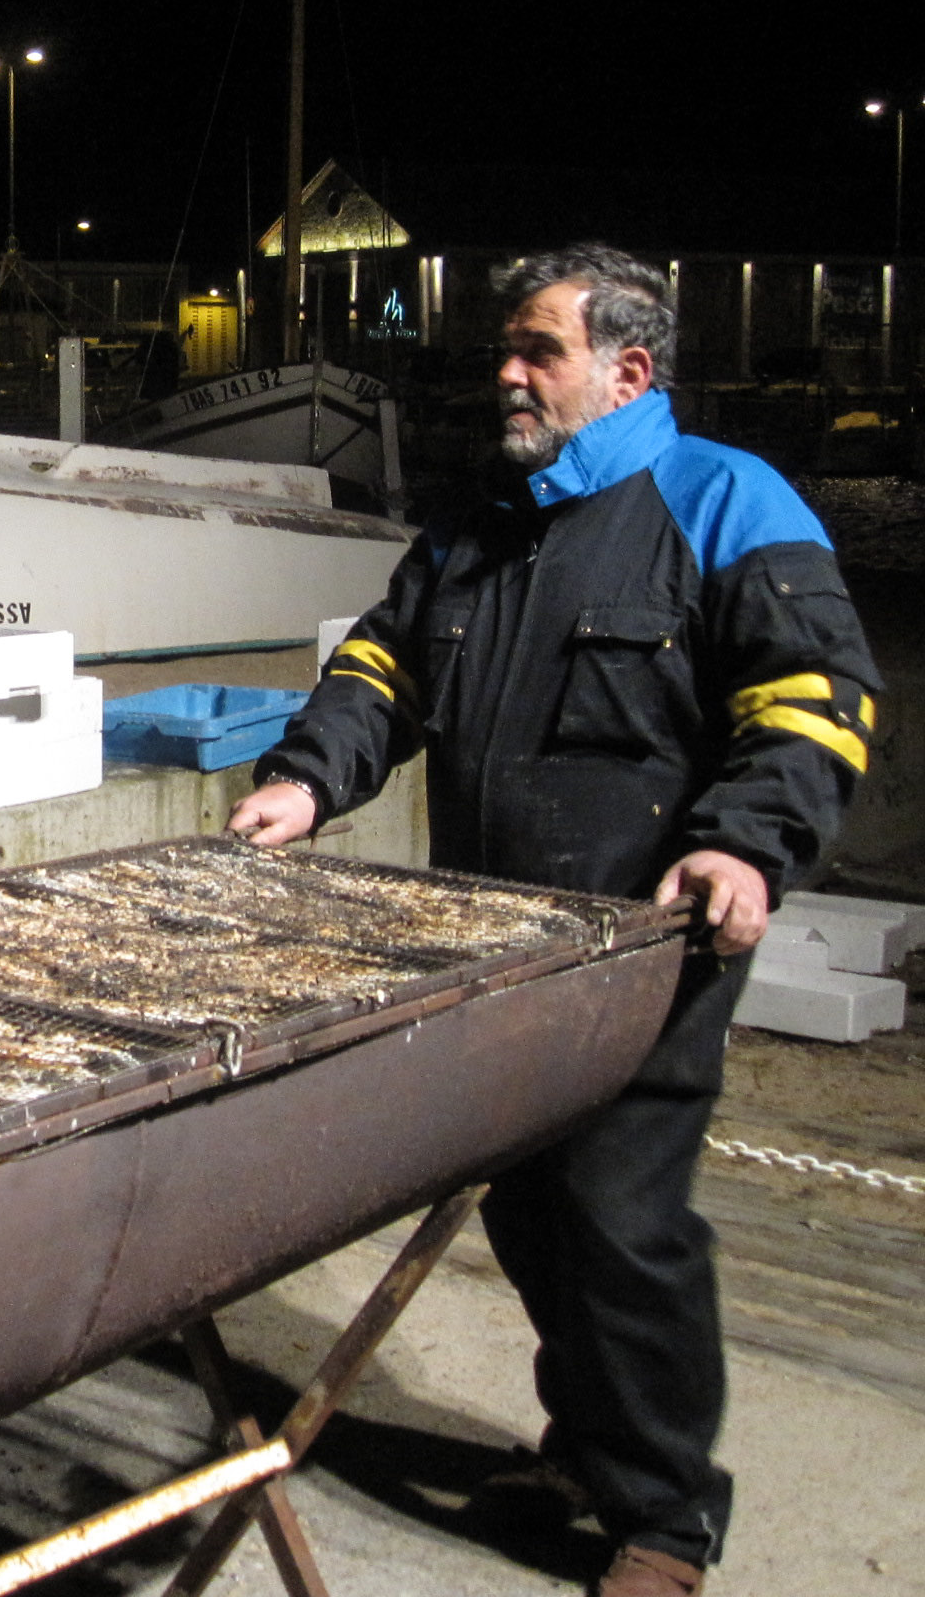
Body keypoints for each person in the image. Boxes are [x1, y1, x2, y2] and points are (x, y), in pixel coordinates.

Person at [228, 245, 880, 1597]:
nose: (509, 375)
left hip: (647, 948)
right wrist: (310, 777)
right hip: (497, 941)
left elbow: (815, 699)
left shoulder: (726, 503)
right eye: (507, 351)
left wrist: (744, 846)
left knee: (621, 1223)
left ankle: (666, 1521)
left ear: (628, 371)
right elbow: (382, 665)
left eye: (541, 351)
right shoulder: (485, 517)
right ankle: (588, 1449)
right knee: (530, 1212)